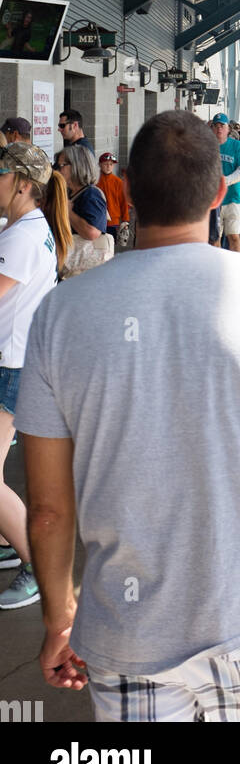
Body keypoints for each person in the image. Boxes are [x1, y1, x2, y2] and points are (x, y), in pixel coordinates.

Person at [14, 110, 240, 719]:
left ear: (128, 191)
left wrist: (59, 617)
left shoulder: (60, 315)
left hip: (125, 635)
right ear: (219, 192)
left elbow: (50, 510)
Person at [0, 145, 72, 611]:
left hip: (13, 367)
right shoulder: (27, 228)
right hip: (18, 362)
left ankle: (37, 566)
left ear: (22, 184)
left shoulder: (22, 237)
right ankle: (13, 538)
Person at [209, 113, 240, 252]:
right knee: (215, 239)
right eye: (216, 126)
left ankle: (237, 267)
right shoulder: (207, 146)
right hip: (213, 201)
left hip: (232, 198)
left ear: (228, 129)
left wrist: (224, 181)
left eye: (222, 126)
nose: (219, 129)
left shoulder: (236, 145)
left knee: (234, 236)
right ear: (212, 128)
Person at [56, 146, 108, 243]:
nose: (59, 170)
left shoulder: (91, 195)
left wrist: (68, 211)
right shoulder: (69, 192)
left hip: (84, 256)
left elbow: (92, 232)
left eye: (62, 165)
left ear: (77, 166)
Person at [97, 153, 130, 245]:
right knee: (99, 247)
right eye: (105, 164)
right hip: (98, 220)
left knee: (110, 246)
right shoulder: (95, 181)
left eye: (111, 164)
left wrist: (125, 220)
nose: (108, 167)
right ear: (100, 165)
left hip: (113, 221)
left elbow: (123, 202)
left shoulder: (118, 182)